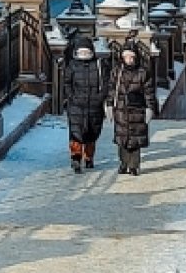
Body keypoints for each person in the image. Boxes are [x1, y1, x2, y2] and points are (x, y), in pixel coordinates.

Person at [107, 39, 157, 176]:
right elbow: (111, 90)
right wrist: (110, 105)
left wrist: (149, 107)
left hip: (137, 109)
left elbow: (149, 91)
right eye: (126, 56)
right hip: (121, 109)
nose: (128, 59)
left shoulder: (143, 72)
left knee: (135, 140)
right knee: (122, 139)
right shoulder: (117, 72)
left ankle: (134, 165)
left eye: (131, 57)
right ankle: (123, 163)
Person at [61, 35, 108, 173]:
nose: (84, 55)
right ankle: (76, 158)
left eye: (86, 52)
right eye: (81, 52)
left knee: (92, 132)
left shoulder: (99, 66)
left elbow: (105, 83)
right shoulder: (72, 66)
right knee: (76, 132)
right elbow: (67, 83)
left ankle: (89, 157)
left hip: (94, 106)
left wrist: (100, 97)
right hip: (76, 105)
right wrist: (71, 96)